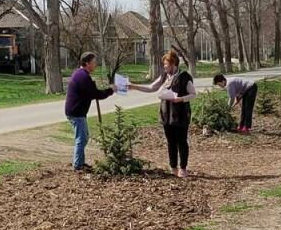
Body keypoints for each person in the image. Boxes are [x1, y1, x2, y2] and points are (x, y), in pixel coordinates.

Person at [129, 50, 196, 178]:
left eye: (166, 64)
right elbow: (151, 88)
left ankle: (183, 167)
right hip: (166, 114)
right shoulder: (164, 76)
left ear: (174, 64)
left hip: (181, 114)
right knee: (170, 141)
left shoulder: (184, 77)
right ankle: (173, 167)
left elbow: (193, 94)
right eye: (164, 64)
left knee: (181, 141)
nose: (164, 67)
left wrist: (181, 99)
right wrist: (133, 86)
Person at [65, 52, 115, 171]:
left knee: (83, 137)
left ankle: (80, 163)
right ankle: (78, 165)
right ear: (87, 63)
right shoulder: (82, 76)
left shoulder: (82, 74)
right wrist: (110, 90)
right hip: (76, 112)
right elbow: (95, 94)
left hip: (77, 111)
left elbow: (92, 92)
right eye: (94, 62)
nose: (95, 65)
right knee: (81, 138)